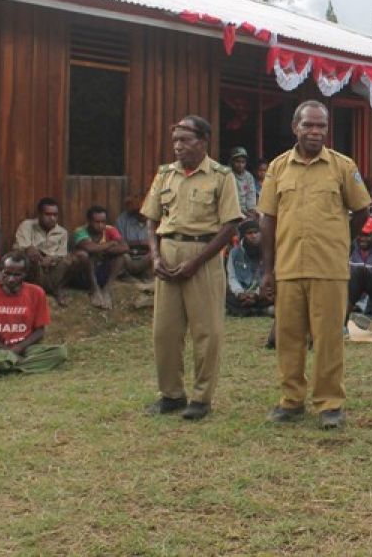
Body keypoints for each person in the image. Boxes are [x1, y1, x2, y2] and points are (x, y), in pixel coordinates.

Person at [259, 100, 371, 431]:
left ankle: (329, 403)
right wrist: (268, 269)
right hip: (289, 267)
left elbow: (362, 211)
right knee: (289, 336)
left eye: (321, 126)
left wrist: (339, 240)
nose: (315, 131)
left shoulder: (342, 166)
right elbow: (267, 218)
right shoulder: (278, 168)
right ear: (295, 127)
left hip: (329, 268)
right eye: (308, 125)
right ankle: (291, 401)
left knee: (328, 339)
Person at [141, 115, 241, 421]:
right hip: (167, 254)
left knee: (206, 332)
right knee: (165, 332)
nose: (178, 146)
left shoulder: (221, 176)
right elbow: (151, 218)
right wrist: (155, 258)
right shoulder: (165, 175)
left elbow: (230, 226)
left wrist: (195, 262)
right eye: (175, 140)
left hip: (204, 257)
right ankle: (171, 394)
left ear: (203, 141)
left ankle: (201, 398)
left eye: (185, 140)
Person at [0, 252, 67, 378]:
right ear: (1, 271)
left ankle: (5, 368)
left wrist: (18, 348)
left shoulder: (36, 292)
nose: (11, 279)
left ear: (25, 275)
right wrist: (7, 350)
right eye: (7, 273)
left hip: (26, 349)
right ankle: (22, 365)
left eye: (17, 275)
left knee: (60, 353)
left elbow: (40, 331)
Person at [14, 197, 75, 306]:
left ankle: (58, 288)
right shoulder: (27, 225)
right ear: (39, 214)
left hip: (53, 269)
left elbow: (61, 253)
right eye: (48, 214)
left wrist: (51, 258)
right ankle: (33, 291)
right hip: (34, 268)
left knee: (75, 258)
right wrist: (33, 252)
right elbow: (22, 247)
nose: (52, 218)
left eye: (55, 215)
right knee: (28, 257)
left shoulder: (62, 232)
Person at [71, 205, 129, 310]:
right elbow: (90, 248)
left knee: (121, 257)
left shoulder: (110, 229)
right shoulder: (80, 231)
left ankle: (106, 290)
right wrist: (110, 244)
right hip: (83, 276)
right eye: (97, 222)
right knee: (86, 255)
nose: (101, 225)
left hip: (102, 272)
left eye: (103, 221)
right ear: (89, 221)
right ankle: (94, 290)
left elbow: (125, 247)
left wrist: (102, 249)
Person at [226, 218, 269, 317]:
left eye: (256, 232)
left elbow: (271, 274)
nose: (254, 236)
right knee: (226, 298)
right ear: (243, 236)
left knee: (275, 295)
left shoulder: (268, 251)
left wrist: (256, 295)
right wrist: (240, 293)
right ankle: (259, 310)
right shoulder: (234, 253)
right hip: (243, 294)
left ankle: (247, 310)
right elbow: (232, 277)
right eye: (249, 233)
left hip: (261, 293)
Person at [114, 194, 153, 281]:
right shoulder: (122, 220)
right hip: (129, 255)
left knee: (157, 253)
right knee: (121, 255)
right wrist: (140, 243)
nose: (144, 215)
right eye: (141, 211)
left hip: (146, 256)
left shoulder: (155, 221)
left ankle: (146, 274)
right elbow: (118, 242)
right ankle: (124, 275)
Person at [229, 146, 260, 219]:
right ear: (232, 161)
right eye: (237, 161)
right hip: (231, 211)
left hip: (247, 211)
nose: (240, 165)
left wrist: (251, 210)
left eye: (243, 162)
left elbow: (251, 195)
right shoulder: (227, 175)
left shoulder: (248, 177)